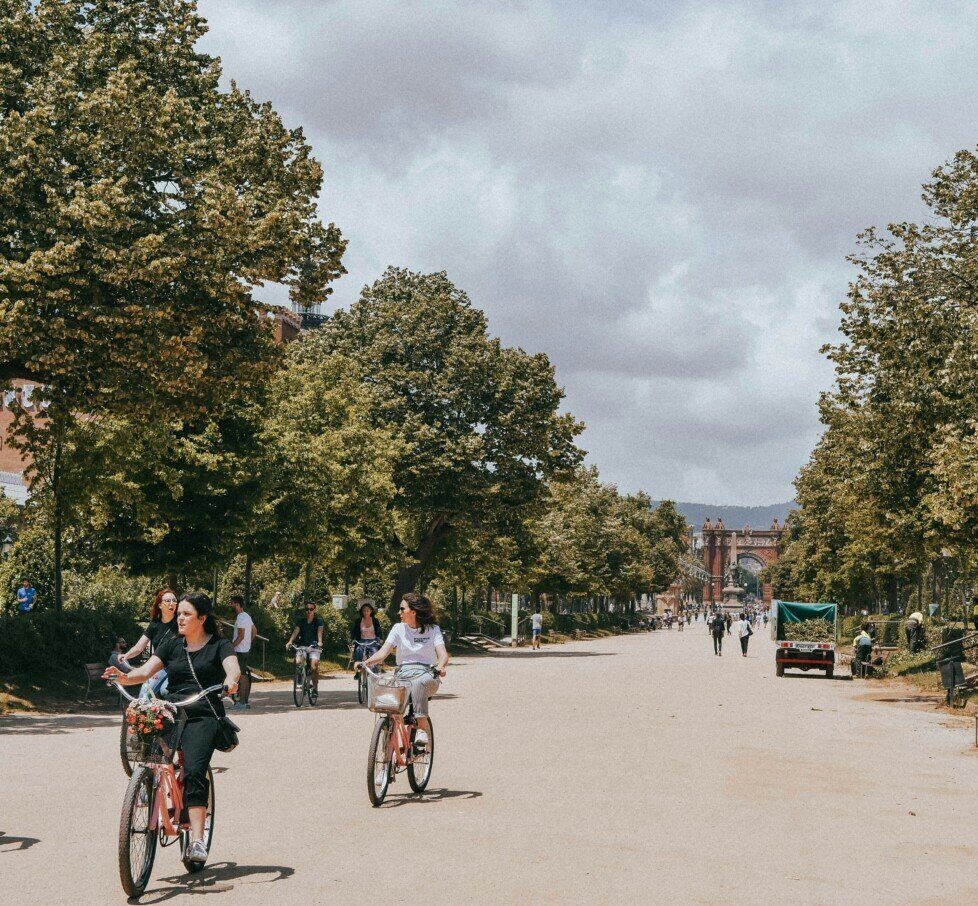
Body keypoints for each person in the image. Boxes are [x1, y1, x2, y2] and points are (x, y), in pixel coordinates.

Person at [103, 592, 239, 865]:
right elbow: (144, 672)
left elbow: (232, 668)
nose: (180, 618)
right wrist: (123, 676)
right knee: (150, 753)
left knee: (194, 770)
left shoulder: (219, 645)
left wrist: (231, 681)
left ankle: (198, 841)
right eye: (179, 614)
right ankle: (145, 785)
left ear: (202, 618)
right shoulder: (172, 645)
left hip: (202, 713)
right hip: (173, 710)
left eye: (187, 614)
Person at [358, 592, 448, 751]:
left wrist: (440, 666)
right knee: (389, 699)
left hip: (426, 675)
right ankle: (392, 744)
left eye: (402, 609)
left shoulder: (433, 629)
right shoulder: (398, 628)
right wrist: (365, 662)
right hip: (402, 675)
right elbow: (383, 652)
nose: (399, 613)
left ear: (413, 611)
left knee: (418, 684)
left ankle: (421, 729)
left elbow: (442, 654)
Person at [119, 589, 178, 695]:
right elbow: (139, 647)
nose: (172, 603)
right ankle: (146, 711)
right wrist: (126, 655)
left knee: (166, 691)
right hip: (158, 667)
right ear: (160, 605)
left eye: (174, 600)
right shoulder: (154, 625)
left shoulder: (181, 622)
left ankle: (171, 711)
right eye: (168, 600)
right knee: (145, 693)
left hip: (175, 668)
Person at [287, 601, 324, 695]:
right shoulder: (301, 621)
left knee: (314, 667)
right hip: (302, 646)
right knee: (297, 662)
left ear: (314, 610)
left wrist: (319, 641)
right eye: (307, 609)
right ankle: (301, 679)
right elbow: (296, 631)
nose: (309, 611)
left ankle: (315, 688)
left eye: (311, 609)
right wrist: (290, 641)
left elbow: (320, 631)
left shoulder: (318, 620)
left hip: (314, 646)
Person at [230, 595, 256, 710]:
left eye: (232, 603)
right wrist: (248, 643)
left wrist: (231, 647)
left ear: (236, 604)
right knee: (243, 675)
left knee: (241, 677)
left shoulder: (241, 617)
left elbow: (240, 636)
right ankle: (244, 701)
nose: (231, 605)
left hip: (239, 651)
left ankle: (242, 702)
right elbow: (254, 631)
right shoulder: (247, 616)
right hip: (245, 650)